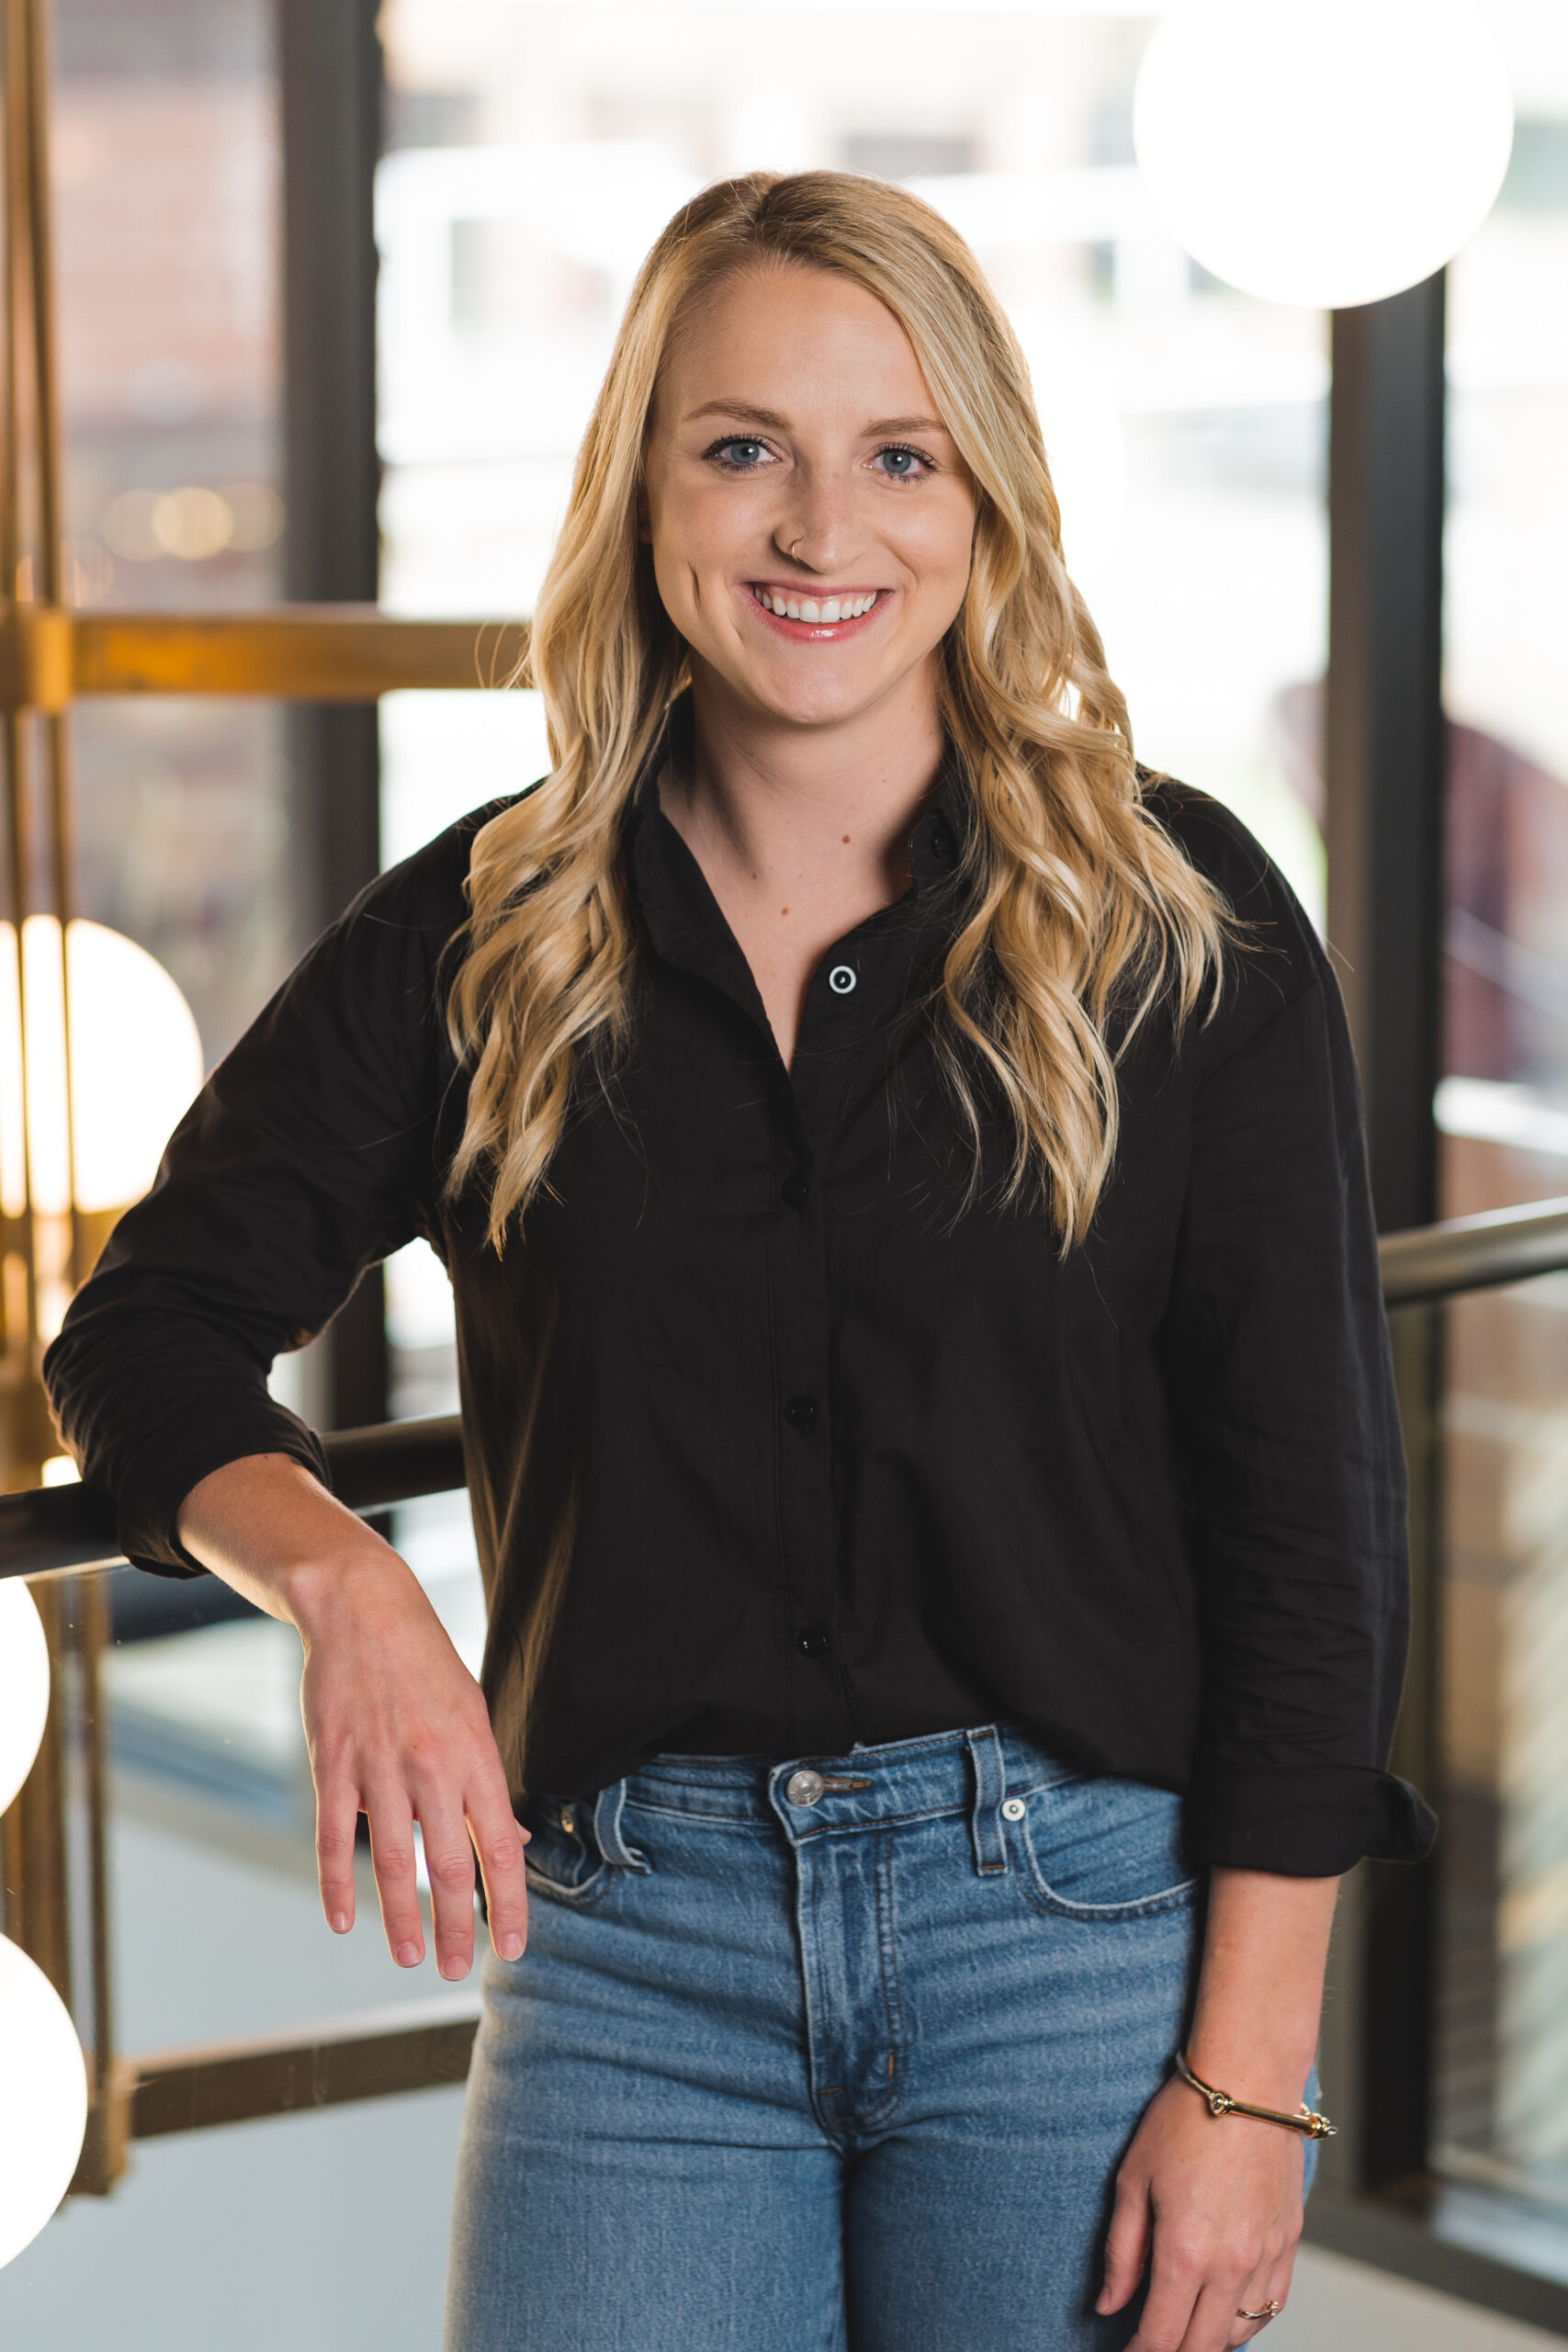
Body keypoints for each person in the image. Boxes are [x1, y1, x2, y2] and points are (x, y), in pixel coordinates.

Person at [46, 172, 1432, 2352]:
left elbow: (1307, 1546)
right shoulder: (485, 928)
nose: (817, 530)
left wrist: (1246, 2079)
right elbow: (143, 1325)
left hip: (1068, 1945)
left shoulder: (1186, 924)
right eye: (739, 449)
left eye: (896, 454)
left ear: (982, 500)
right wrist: (344, 1576)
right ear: (643, 486)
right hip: (630, 1960)